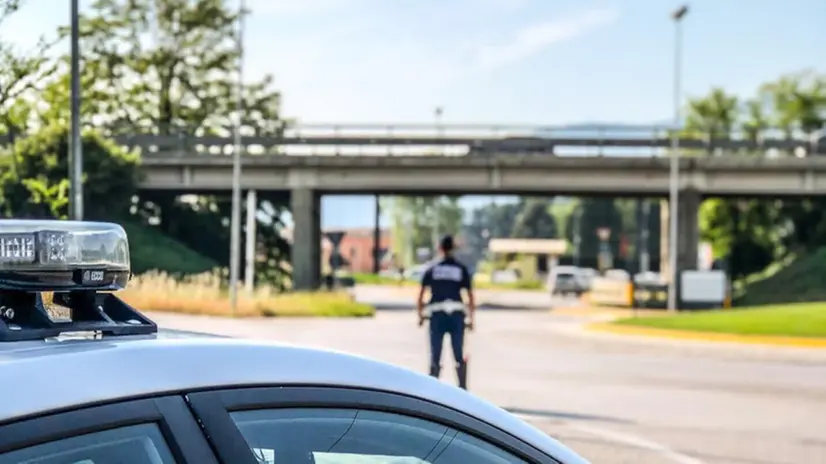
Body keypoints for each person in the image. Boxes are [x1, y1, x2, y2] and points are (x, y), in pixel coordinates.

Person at [417, 234, 476, 389]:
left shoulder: (432, 268)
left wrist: (420, 316)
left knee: (435, 356)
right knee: (458, 354)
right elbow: (470, 296)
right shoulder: (461, 269)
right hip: (456, 316)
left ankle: (432, 391)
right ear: (453, 249)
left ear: (440, 248)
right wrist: (471, 319)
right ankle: (463, 389)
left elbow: (421, 295)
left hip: (437, 316)